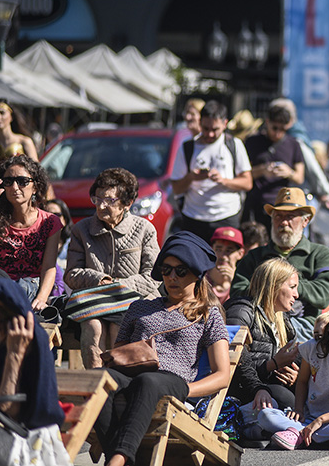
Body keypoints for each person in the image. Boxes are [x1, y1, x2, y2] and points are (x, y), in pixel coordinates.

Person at [92, 232, 230, 466]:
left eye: (180, 271)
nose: (171, 277)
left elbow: (222, 375)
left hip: (171, 380)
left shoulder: (207, 314)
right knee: (98, 378)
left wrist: (186, 390)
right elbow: (120, 354)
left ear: (196, 274)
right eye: (166, 270)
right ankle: (120, 457)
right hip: (131, 376)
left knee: (148, 382)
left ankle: (117, 459)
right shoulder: (139, 308)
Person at [64, 167, 161, 368]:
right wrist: (99, 280)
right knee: (92, 330)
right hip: (94, 301)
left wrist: (119, 285)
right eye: (97, 199)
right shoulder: (82, 230)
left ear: (127, 203)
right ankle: (95, 389)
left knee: (121, 328)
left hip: (134, 299)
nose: (100, 206)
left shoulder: (144, 229)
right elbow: (72, 274)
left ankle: (121, 388)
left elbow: (154, 275)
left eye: (109, 200)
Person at [0, 278, 67, 465]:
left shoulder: (23, 356)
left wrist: (14, 355)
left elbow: (9, 415)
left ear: (14, 321)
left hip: (13, 443)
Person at [257, 298, 329, 451]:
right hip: (309, 418)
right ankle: (325, 437)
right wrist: (298, 409)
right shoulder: (312, 348)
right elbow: (302, 381)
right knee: (265, 415)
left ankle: (304, 436)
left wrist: (321, 420)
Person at [231, 187, 329, 342]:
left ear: (305, 221)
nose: (284, 222)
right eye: (278, 216)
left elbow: (323, 296)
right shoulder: (255, 256)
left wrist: (286, 285)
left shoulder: (319, 254)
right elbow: (237, 293)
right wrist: (272, 287)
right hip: (259, 322)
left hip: (303, 326)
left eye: (290, 216)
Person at [0, 155, 60, 311]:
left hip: (30, 287)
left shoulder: (50, 222)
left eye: (22, 181)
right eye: (8, 182)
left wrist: (41, 299)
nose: (15, 188)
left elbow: (49, 268)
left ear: (35, 187)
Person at [224, 257, 301, 412]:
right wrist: (271, 365)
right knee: (284, 398)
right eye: (292, 287)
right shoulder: (241, 311)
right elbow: (233, 363)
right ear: (274, 286)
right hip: (239, 391)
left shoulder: (284, 323)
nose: (297, 295)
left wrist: (295, 377)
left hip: (264, 387)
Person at [171, 100, 253, 243]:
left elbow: (247, 183)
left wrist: (224, 180)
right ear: (200, 122)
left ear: (225, 124)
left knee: (225, 263)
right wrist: (191, 177)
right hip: (194, 217)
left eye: (215, 129)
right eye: (205, 128)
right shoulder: (187, 147)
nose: (209, 134)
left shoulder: (234, 144)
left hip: (226, 216)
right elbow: (177, 188)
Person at [243, 104, 305, 230]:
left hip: (281, 206)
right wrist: (263, 170)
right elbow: (243, 174)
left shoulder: (293, 144)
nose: (278, 133)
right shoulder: (252, 141)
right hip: (255, 204)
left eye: (283, 129)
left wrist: (288, 173)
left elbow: (300, 178)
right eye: (274, 128)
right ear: (267, 122)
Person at [0, 99, 38, 190]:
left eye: (2, 113)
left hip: (19, 192)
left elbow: (36, 173)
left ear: (11, 116)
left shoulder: (24, 142)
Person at [207, 226, 246, 303]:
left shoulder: (245, 280)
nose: (223, 256)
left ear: (240, 254)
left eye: (229, 250)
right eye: (218, 249)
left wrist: (235, 282)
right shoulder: (200, 277)